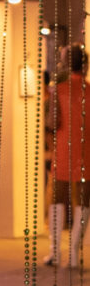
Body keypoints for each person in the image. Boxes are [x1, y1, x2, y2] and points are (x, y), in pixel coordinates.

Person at [44, 43, 90, 267]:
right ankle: (73, 252)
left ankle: (55, 253)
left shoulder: (58, 90)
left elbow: (53, 122)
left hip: (63, 150)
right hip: (86, 153)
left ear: (65, 63)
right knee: (83, 202)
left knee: (56, 201)